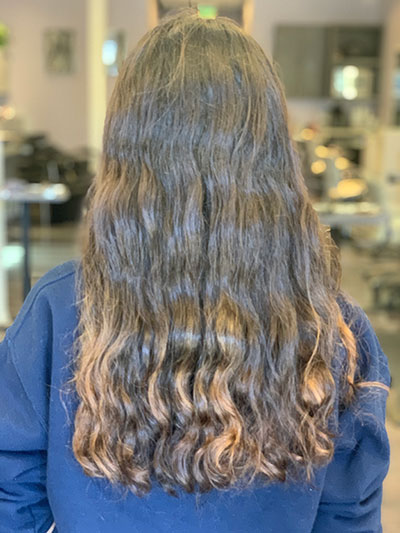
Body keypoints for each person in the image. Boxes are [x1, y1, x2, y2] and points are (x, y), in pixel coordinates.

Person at [0, 8, 390, 533]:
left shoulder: (59, 310)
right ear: (274, 157)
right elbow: (348, 520)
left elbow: (10, 506)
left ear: (125, 155)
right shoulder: (337, 332)